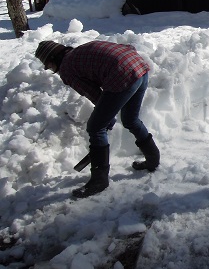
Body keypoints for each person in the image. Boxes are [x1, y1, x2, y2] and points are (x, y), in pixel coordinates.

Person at [35, 40, 160, 198]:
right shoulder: (79, 52)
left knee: (95, 127)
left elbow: (95, 94)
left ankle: (99, 181)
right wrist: (106, 114)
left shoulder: (66, 69)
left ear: (53, 58)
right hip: (139, 66)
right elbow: (125, 47)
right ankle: (153, 159)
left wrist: (104, 118)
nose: (51, 70)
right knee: (130, 119)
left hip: (123, 74)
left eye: (49, 66)